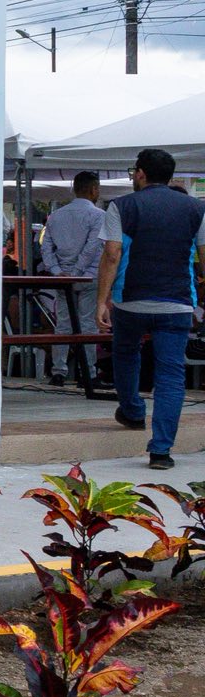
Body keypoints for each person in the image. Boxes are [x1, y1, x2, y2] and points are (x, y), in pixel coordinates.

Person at [96, 148, 205, 470]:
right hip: (177, 302)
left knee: (125, 353)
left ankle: (132, 410)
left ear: (141, 173)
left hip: (130, 300)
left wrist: (102, 300)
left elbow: (112, 254)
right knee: (171, 373)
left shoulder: (121, 206)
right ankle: (161, 450)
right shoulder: (197, 208)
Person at [41, 171, 106, 384]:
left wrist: (57, 271)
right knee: (88, 325)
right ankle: (88, 372)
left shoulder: (56, 216)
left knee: (63, 324)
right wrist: (77, 271)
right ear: (94, 189)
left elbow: (46, 246)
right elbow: (92, 247)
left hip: (62, 277)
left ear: (74, 189)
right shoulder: (98, 215)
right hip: (89, 275)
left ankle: (58, 371)